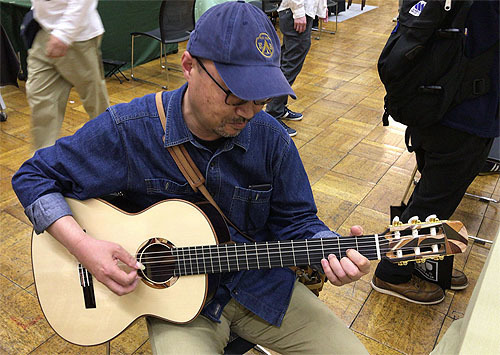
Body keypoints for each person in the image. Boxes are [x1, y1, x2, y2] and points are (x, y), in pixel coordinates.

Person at [12, 2, 370, 353]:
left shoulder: (270, 138)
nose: (248, 112)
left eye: (261, 99)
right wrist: (84, 247)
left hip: (260, 287)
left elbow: (297, 220)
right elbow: (33, 176)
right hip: (184, 311)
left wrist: (327, 245)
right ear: (188, 66)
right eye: (235, 95)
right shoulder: (130, 129)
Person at [372, 0, 499, 305]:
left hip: (432, 102)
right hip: (465, 115)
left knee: (428, 195)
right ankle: (391, 272)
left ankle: (423, 257)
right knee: (433, 203)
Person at [26, 0, 109, 150]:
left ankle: (113, 150)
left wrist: (63, 34)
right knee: (40, 100)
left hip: (77, 38)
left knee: (95, 102)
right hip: (44, 31)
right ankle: (43, 162)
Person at [265, 0, 328, 137]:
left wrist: (322, 9)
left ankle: (278, 108)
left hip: (300, 11)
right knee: (290, 65)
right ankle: (273, 114)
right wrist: (298, 12)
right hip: (295, 12)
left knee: (287, 62)